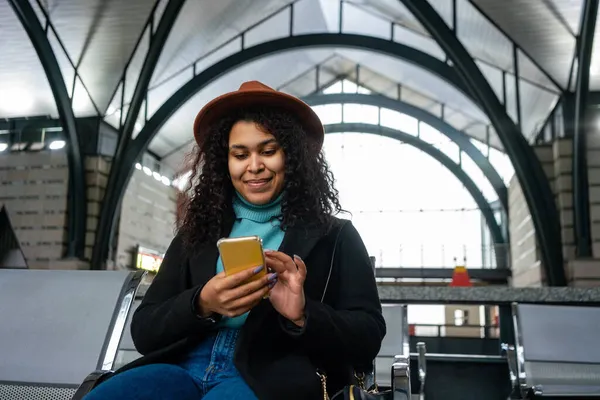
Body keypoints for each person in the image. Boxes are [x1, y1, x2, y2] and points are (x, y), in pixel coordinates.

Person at [84, 81, 385, 400]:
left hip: (275, 374)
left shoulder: (335, 235)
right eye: (240, 154)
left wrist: (302, 314)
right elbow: (145, 330)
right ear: (224, 163)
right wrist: (202, 303)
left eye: (269, 151)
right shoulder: (198, 231)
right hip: (181, 366)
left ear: (292, 157)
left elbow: (368, 335)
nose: (254, 166)